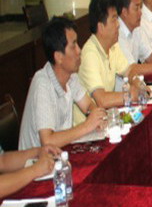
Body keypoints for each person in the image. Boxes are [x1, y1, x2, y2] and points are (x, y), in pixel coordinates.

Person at [19, 17, 107, 150]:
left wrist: (96, 116)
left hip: (60, 154)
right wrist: (86, 126)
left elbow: (88, 104)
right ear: (58, 57)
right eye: (73, 46)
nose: (79, 50)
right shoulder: (42, 84)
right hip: (36, 160)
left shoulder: (71, 76)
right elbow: (47, 141)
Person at [79, 0, 140, 112]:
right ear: (101, 27)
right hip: (89, 121)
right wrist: (130, 95)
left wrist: (139, 84)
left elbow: (129, 71)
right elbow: (102, 100)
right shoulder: (89, 55)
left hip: (107, 116)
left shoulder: (113, 46)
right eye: (114, 20)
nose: (118, 25)